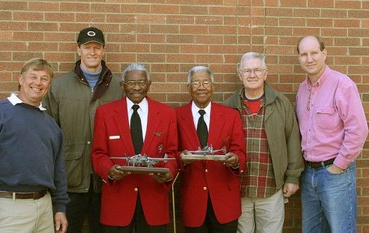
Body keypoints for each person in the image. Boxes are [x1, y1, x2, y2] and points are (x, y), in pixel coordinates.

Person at [0, 58, 69, 233]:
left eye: (44, 78)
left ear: (49, 84)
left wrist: (60, 207)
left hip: (44, 209)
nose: (38, 83)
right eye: (33, 76)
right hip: (6, 209)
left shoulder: (51, 125)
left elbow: (58, 169)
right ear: (21, 79)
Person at [43, 27, 123, 233]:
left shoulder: (118, 87)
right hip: (69, 180)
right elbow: (48, 134)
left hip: (106, 180)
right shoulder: (59, 87)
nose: (92, 52)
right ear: (78, 50)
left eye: (97, 47)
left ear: (104, 50)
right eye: (87, 47)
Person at [91, 63, 178, 232]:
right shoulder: (105, 113)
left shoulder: (167, 113)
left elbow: (172, 152)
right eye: (131, 83)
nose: (137, 87)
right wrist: (109, 170)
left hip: (153, 199)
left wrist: (168, 173)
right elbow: (98, 153)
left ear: (149, 84)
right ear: (122, 85)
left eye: (142, 82)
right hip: (117, 200)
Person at [223, 52, 305, 233]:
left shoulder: (280, 103)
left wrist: (292, 177)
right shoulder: (228, 106)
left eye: (257, 70)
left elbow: (292, 140)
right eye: (247, 71)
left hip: (271, 189)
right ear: (240, 74)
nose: (252, 75)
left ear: (265, 73)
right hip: (238, 190)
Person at [296, 35, 368, 233]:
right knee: (311, 230)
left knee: (341, 230)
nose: (309, 59)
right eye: (304, 54)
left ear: (324, 53)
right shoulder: (302, 90)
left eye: (314, 53)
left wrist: (338, 166)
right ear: (299, 58)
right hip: (309, 173)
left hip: (336, 174)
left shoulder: (342, 85)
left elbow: (358, 130)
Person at [176, 66, 247, 232]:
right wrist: (182, 157)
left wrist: (235, 159)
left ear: (213, 86)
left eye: (206, 82)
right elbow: (172, 152)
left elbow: (240, 151)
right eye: (196, 83)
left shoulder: (231, 115)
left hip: (225, 201)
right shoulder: (177, 116)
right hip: (193, 200)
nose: (201, 87)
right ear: (189, 88)